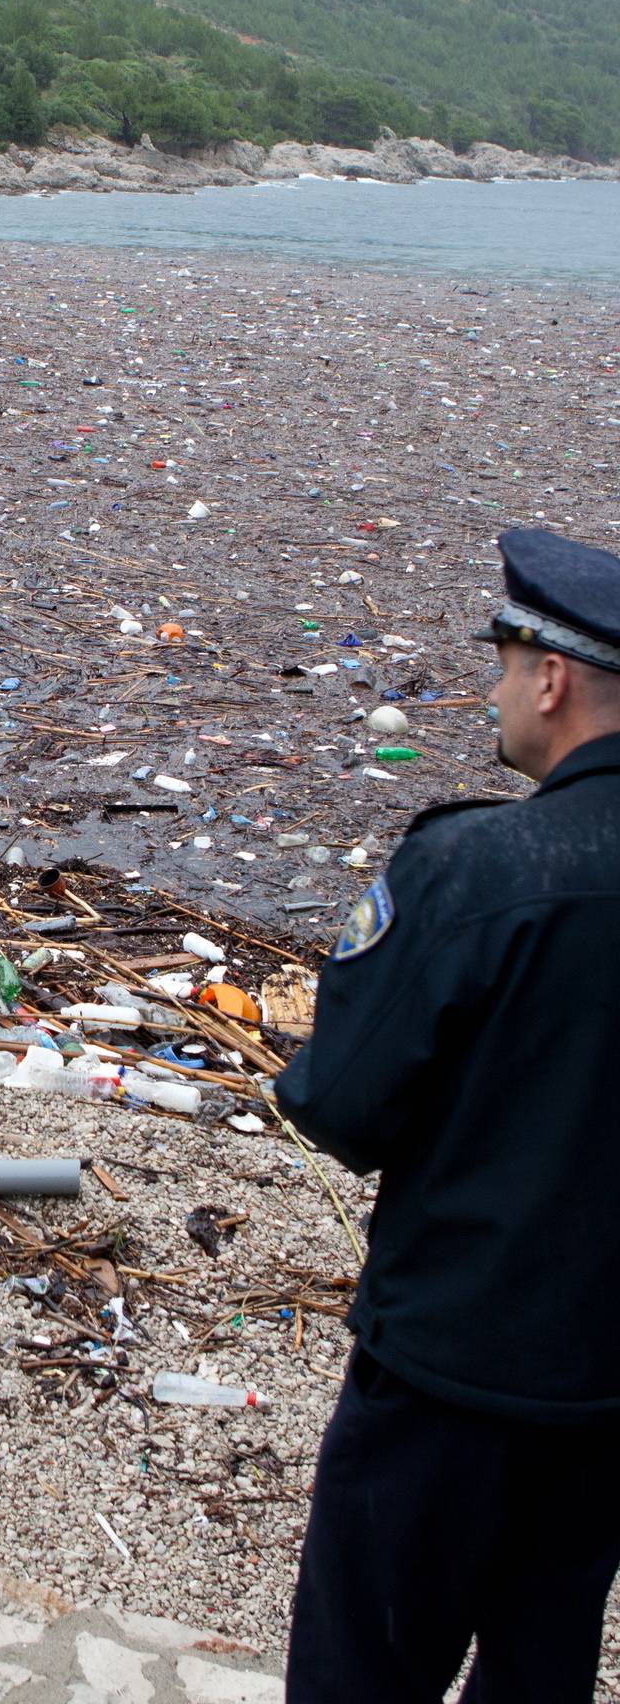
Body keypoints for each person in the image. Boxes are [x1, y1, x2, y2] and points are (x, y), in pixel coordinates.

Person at [278, 526, 620, 1703]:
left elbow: (343, 1103)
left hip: (450, 1370)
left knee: (362, 1667)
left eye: (504, 660)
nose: (495, 687)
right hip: (608, 1390)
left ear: (553, 676)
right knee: (542, 1669)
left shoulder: (477, 866)